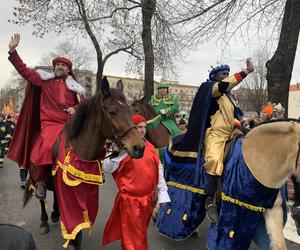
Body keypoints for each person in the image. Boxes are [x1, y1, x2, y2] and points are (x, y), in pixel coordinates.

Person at [7, 33, 85, 199]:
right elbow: (25, 71)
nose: (59, 67)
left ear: (68, 69)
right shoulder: (44, 80)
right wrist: (13, 52)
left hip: (69, 123)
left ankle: (90, 174)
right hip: (50, 122)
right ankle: (40, 180)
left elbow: (82, 105)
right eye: (57, 64)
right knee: (49, 145)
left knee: (88, 143)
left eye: (63, 65)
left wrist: (75, 109)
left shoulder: (75, 87)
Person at [102, 114, 170, 250]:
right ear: (132, 128)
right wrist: (115, 153)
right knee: (135, 238)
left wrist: (163, 193)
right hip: (130, 202)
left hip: (148, 200)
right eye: (139, 127)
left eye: (144, 127)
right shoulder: (123, 149)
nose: (143, 130)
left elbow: (158, 170)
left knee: (138, 234)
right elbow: (107, 168)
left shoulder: (150, 147)